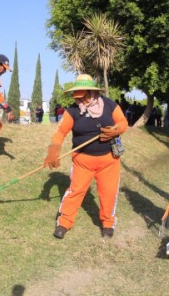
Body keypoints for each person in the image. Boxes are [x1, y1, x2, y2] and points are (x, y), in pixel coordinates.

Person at [43, 74, 128, 239]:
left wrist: (116, 130)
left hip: (109, 160)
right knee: (75, 191)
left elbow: (123, 122)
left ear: (91, 91)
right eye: (77, 96)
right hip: (83, 161)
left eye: (83, 95)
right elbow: (61, 132)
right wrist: (54, 149)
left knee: (108, 192)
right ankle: (64, 222)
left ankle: (108, 223)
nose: (80, 100)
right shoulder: (73, 111)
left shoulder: (109, 105)